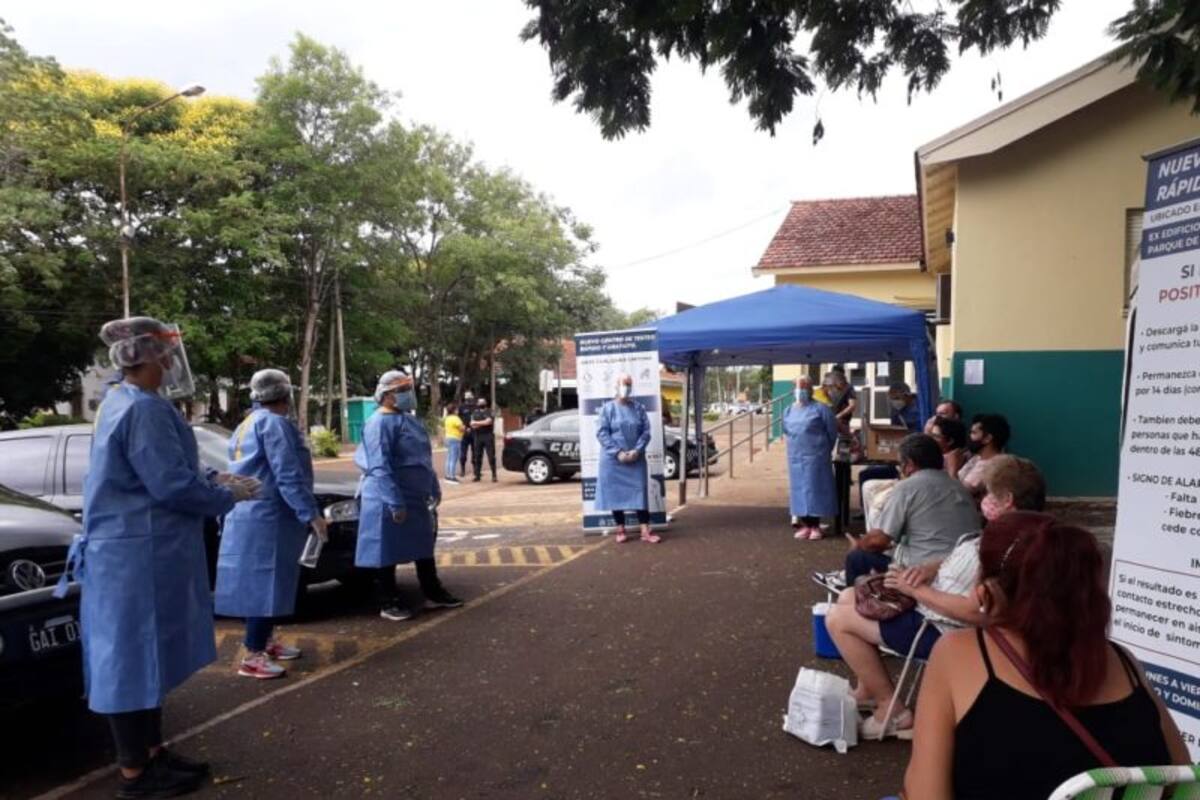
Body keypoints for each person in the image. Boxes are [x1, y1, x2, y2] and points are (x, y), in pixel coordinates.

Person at [68, 317, 257, 798]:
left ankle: (152, 755)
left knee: (144, 660)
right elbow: (170, 484)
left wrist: (214, 480)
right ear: (143, 357)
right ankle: (136, 774)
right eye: (164, 354)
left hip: (135, 553)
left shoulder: (128, 402)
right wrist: (226, 497)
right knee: (131, 663)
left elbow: (175, 469)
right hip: (136, 557)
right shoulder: (141, 410)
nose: (171, 362)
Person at [904, 512, 1190, 800]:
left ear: (987, 589)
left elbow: (925, 793)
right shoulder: (1123, 662)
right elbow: (1182, 777)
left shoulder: (957, 654)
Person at [825, 455, 1047, 739]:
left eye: (989, 493)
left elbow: (975, 612)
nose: (984, 499)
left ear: (1007, 500)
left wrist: (916, 590)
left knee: (838, 618)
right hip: (935, 610)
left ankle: (891, 711)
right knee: (847, 596)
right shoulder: (1021, 535)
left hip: (943, 629)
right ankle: (870, 688)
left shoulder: (1008, 548)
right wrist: (930, 569)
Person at [214, 369, 328, 680]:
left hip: (252, 514)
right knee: (263, 584)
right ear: (285, 394)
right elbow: (287, 474)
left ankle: (265, 642)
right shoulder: (274, 424)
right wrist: (311, 514)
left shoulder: (246, 423)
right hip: (268, 516)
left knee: (265, 582)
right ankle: (253, 655)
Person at [356, 370, 462, 621]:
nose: (408, 395)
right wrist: (394, 501)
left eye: (408, 389)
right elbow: (379, 465)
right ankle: (388, 600)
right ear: (388, 396)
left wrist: (433, 487)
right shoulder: (378, 424)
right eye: (403, 391)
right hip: (386, 495)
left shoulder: (409, 420)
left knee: (423, 546)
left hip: (415, 495)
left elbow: (422, 459)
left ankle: (432, 591)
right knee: (385, 549)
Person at [819, 434, 978, 592]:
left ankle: (855, 602)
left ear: (909, 464)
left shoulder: (908, 487)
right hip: (965, 571)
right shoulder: (959, 487)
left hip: (923, 574)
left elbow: (878, 541)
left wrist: (858, 545)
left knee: (857, 558)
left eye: (900, 463)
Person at [595, 373, 658, 543]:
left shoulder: (638, 408)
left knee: (640, 492)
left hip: (636, 458)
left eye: (629, 384)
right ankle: (620, 528)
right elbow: (602, 433)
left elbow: (646, 431)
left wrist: (637, 450)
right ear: (616, 385)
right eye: (623, 383)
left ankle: (645, 530)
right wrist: (618, 452)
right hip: (613, 460)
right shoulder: (607, 409)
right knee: (614, 492)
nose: (626, 387)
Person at [783, 376, 838, 541]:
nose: (801, 391)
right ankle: (805, 524)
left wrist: (823, 450)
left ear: (810, 389)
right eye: (798, 387)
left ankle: (816, 525)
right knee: (799, 490)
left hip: (816, 457)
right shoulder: (788, 410)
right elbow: (786, 430)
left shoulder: (821, 409)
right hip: (795, 457)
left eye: (804, 387)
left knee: (815, 490)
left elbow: (832, 432)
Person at [958, 413, 1010, 496]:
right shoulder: (977, 458)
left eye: (974, 433)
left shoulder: (992, 466)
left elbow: (959, 493)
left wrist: (952, 467)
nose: (969, 437)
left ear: (987, 438)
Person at [928, 415, 969, 480]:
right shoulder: (934, 455)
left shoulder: (962, 459)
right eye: (931, 435)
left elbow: (952, 486)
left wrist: (952, 469)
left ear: (950, 441)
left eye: (936, 436)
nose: (931, 439)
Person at [470, 396, 497, 483]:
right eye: (479, 402)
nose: (481, 404)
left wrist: (477, 423)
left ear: (485, 403)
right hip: (478, 436)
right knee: (477, 456)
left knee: (491, 456)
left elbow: (488, 422)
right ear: (477, 404)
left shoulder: (489, 411)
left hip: (488, 436)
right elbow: (472, 425)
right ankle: (477, 476)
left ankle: (494, 475)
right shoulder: (475, 412)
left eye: (482, 402)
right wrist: (483, 423)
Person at [442, 402, 464, 486]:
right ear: (454, 410)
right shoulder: (456, 418)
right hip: (455, 438)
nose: (458, 411)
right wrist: (464, 428)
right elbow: (461, 428)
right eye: (457, 409)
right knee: (454, 458)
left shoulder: (447, 418)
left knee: (449, 457)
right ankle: (452, 476)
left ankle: (447, 475)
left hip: (448, 437)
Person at [458, 393, 474, 478]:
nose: (469, 400)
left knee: (475, 452)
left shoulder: (475, 406)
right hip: (464, 433)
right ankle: (462, 470)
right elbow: (459, 419)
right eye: (467, 398)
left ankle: (476, 470)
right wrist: (464, 428)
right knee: (463, 453)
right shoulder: (462, 407)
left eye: (470, 398)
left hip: (474, 432)